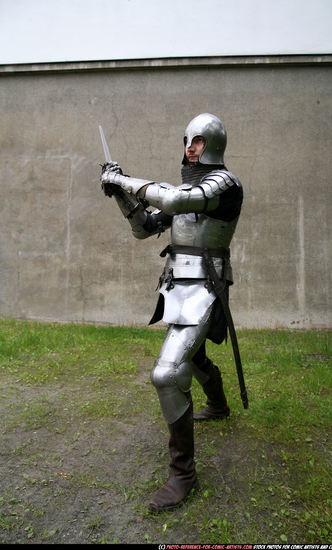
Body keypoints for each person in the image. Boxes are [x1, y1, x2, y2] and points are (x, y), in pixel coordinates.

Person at [100, 113, 243, 512]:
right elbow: (145, 226)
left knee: (166, 373)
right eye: (186, 140)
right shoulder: (185, 190)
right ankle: (218, 405)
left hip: (207, 287)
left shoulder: (224, 185)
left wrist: (123, 179)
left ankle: (184, 474)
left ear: (212, 144)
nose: (189, 148)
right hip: (177, 285)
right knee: (193, 356)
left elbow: (177, 200)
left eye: (196, 141)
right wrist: (119, 195)